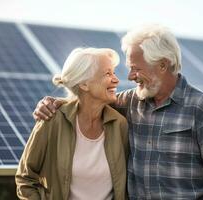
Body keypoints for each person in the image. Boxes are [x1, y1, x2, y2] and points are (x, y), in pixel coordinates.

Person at [33, 24, 203, 199]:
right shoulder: (128, 102)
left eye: (136, 68)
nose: (131, 76)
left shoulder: (201, 108)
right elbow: (88, 101)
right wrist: (54, 103)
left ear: (162, 65)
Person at [16, 47, 129, 200]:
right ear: (84, 84)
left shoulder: (120, 124)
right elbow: (25, 178)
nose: (116, 79)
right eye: (108, 73)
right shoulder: (52, 119)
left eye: (114, 73)